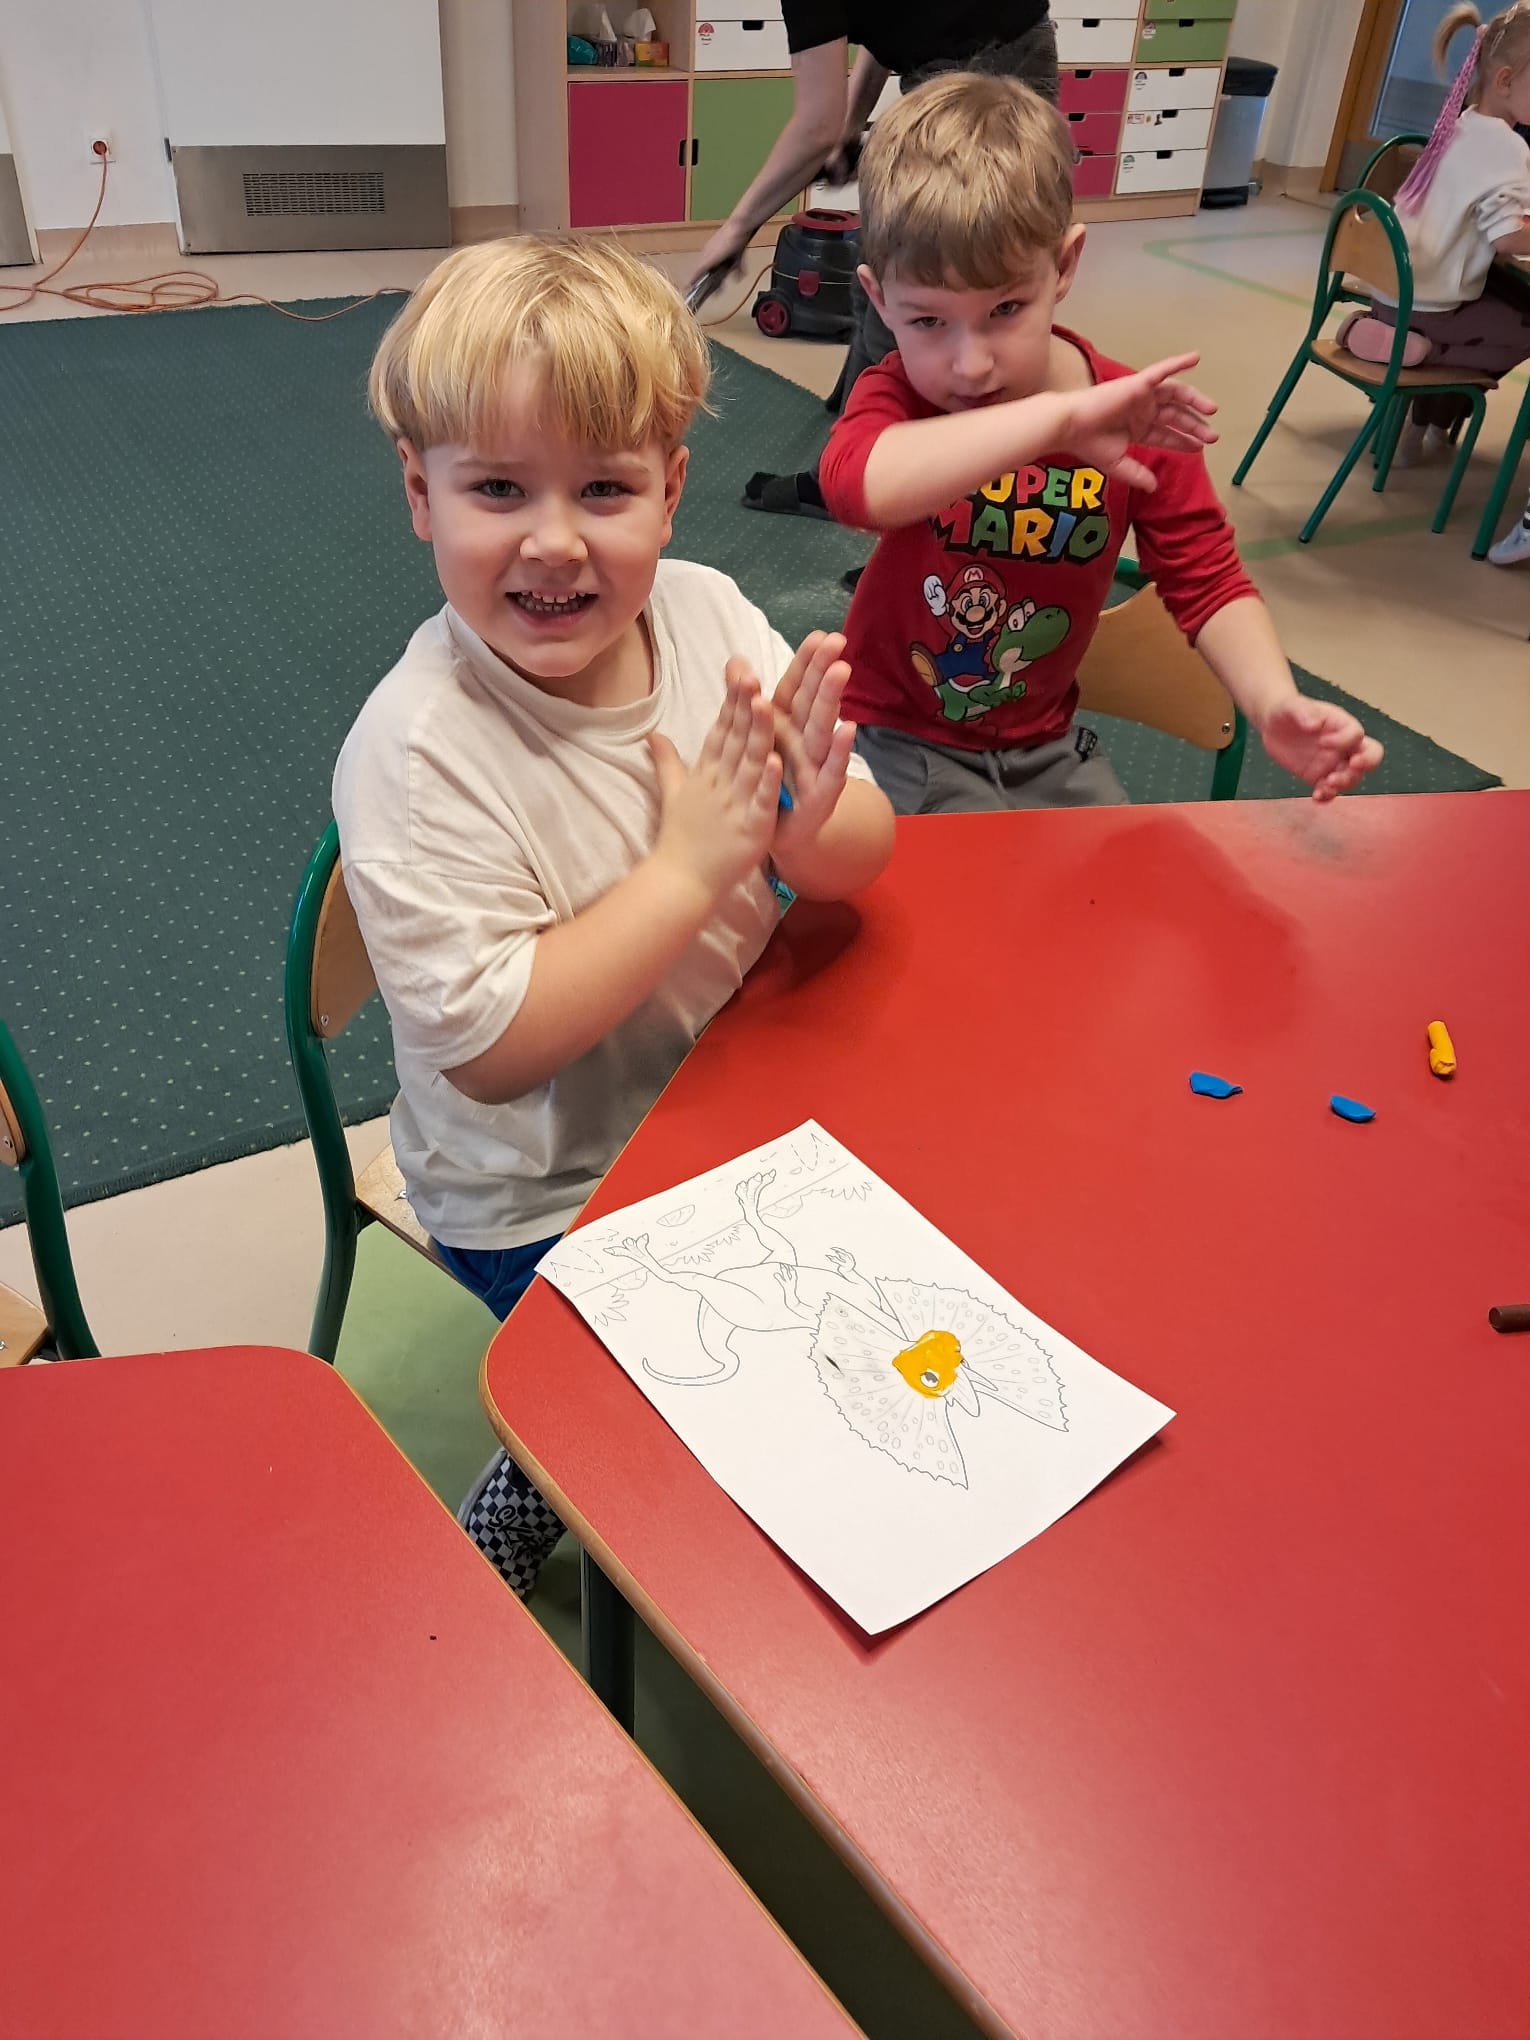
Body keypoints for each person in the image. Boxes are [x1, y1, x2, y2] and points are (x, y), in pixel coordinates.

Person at [333, 236, 895, 1594]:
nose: (554, 540)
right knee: (715, 1415)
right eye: (497, 488)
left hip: (730, 1098)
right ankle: (535, 1482)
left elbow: (864, 848)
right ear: (419, 493)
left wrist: (806, 829)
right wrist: (691, 870)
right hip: (544, 1188)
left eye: (603, 487)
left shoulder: (709, 617)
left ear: (671, 490)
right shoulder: (420, 752)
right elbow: (490, 1051)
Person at [817, 73, 1384, 816]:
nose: (971, 364)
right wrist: (1055, 422)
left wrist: (1273, 700)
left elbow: (1205, 575)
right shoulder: (898, 393)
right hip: (896, 738)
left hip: (1046, 745)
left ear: (1064, 266)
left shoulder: (1133, 414)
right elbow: (856, 487)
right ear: (879, 298)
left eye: (1005, 309)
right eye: (928, 321)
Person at [687, 1, 1059, 524]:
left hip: (994, 64)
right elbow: (890, 26)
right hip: (966, 55)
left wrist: (737, 228)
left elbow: (815, 127)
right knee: (882, 273)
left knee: (922, 297)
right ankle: (857, 435)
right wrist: (852, 125)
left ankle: (894, 492)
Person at [1332, 1, 1530, 563]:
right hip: (1431, 311)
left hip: (1391, 293)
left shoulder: (1458, 123)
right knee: (1520, 327)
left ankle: (1415, 409)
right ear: (1506, 80)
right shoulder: (1508, 145)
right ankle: (1424, 363)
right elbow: (1508, 240)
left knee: (1495, 303)